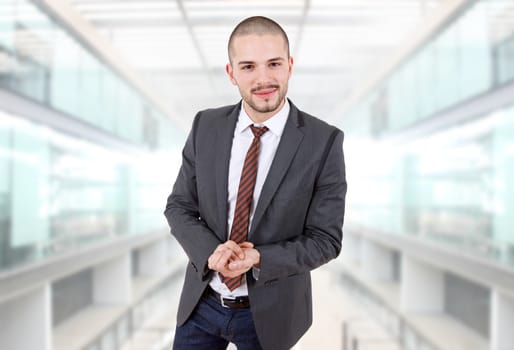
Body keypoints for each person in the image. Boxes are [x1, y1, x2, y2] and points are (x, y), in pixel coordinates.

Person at [164, 16, 346, 350]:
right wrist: (210, 252)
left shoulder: (324, 142)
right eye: (248, 66)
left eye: (274, 63)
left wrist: (260, 258)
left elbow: (326, 240)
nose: (263, 79)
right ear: (231, 73)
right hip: (202, 303)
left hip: (271, 316)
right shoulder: (206, 125)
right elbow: (179, 206)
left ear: (290, 66)